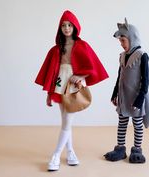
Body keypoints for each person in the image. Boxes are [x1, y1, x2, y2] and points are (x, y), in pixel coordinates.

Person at [35, 10, 108, 171]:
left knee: (67, 122)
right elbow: (52, 72)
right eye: (63, 25)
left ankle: (55, 155)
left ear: (75, 27)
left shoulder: (82, 45)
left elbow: (92, 66)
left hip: (74, 86)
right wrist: (49, 93)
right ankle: (70, 152)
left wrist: (80, 75)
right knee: (65, 122)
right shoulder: (56, 49)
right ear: (59, 28)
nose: (67, 28)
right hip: (60, 84)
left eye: (69, 25)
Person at [104, 18, 149, 163]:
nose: (121, 44)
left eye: (123, 41)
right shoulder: (122, 56)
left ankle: (137, 150)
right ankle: (120, 149)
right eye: (120, 41)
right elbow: (120, 76)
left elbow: (146, 80)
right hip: (124, 97)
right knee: (122, 122)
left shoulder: (142, 55)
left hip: (136, 98)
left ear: (132, 38)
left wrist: (140, 99)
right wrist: (115, 94)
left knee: (137, 123)